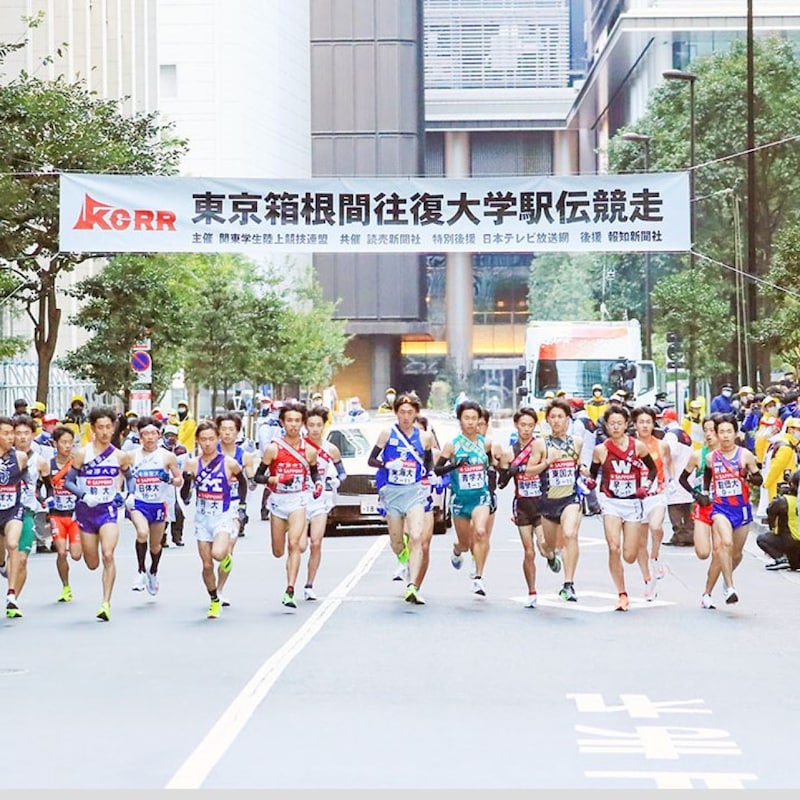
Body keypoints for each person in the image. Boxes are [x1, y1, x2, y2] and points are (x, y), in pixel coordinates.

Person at [64, 406, 135, 621]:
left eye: (108, 427)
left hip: (108, 510)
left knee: (108, 554)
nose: (105, 432)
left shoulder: (120, 456)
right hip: (86, 511)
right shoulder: (82, 454)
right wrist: (83, 495)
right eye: (100, 427)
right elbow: (68, 481)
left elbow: (129, 477)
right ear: (93, 428)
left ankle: (105, 603)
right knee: (92, 562)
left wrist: (130, 494)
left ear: (114, 428)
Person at [587, 405, 657, 611]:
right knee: (613, 547)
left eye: (619, 423)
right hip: (611, 502)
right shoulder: (601, 450)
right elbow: (592, 475)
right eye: (612, 424)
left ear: (627, 425)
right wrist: (588, 481)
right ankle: (622, 593)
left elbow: (652, 469)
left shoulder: (638, 447)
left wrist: (645, 486)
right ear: (606, 426)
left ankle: (634, 574)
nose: (616, 427)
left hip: (633, 503)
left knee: (629, 554)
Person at [254, 401, 323, 608]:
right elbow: (258, 476)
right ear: (282, 422)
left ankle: (290, 589)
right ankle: (283, 543)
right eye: (289, 420)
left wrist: (318, 482)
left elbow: (313, 471)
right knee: (278, 551)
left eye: (297, 421)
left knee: (294, 544)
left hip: (298, 500)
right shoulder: (273, 449)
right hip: (278, 502)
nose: (293, 425)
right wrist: (274, 480)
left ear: (302, 423)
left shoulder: (309, 450)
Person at [368, 393, 435, 604]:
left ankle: (412, 586)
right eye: (402, 412)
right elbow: (371, 460)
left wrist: (430, 475)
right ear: (396, 413)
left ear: (416, 413)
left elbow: (429, 463)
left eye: (410, 412)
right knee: (397, 543)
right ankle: (402, 556)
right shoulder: (387, 434)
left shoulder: (425, 437)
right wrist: (387, 465)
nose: (406, 416)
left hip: (414, 492)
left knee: (417, 536)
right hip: (393, 493)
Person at [181, 420, 248, 619]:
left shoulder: (229, 463)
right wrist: (186, 480)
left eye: (211, 439)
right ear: (197, 442)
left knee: (219, 554)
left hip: (223, 516)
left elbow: (242, 482)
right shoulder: (193, 464)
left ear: (217, 439)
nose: (207, 443)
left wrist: (242, 506)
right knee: (207, 564)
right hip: (202, 518)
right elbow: (186, 497)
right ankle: (214, 599)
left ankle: (227, 555)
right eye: (203, 440)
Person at [434, 400, 494, 597]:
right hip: (460, 500)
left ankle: (478, 578)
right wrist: (455, 465)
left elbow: (490, 466)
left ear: (479, 421)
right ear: (460, 420)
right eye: (466, 418)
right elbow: (437, 469)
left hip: (480, 497)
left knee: (481, 531)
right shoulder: (452, 445)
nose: (470, 422)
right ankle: (457, 550)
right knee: (466, 543)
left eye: (474, 418)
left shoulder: (485, 443)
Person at [701, 413, 762, 605]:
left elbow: (759, 479)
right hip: (721, 509)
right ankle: (730, 587)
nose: (725, 436)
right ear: (717, 435)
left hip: (742, 510)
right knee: (724, 544)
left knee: (736, 553)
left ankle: (714, 588)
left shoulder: (745, 455)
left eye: (729, 431)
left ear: (736, 433)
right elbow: (707, 478)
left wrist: (746, 476)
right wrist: (704, 494)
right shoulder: (711, 458)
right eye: (722, 432)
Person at [127, 416, 183, 597]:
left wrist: (169, 479)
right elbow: (121, 475)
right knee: (142, 533)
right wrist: (125, 494)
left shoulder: (167, 456)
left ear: (159, 435)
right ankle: (140, 571)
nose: (149, 437)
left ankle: (153, 572)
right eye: (145, 434)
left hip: (158, 503)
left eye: (153, 433)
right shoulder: (131, 456)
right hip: (138, 503)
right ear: (139, 436)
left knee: (155, 545)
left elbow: (179, 480)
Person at [498, 407, 546, 607]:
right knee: (529, 551)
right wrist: (506, 469)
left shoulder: (541, 446)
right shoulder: (509, 452)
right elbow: (501, 483)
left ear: (535, 426)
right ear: (516, 425)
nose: (526, 429)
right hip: (522, 505)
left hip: (541, 503)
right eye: (523, 425)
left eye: (530, 425)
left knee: (544, 546)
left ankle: (551, 557)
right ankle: (532, 591)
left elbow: (548, 469)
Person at [540, 398, 587, 603]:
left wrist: (584, 470)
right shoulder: (541, 444)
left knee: (570, 534)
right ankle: (551, 557)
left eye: (561, 417)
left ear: (568, 420)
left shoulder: (576, 442)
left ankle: (569, 584)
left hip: (571, 497)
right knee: (547, 547)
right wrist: (547, 462)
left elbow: (581, 463)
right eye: (553, 417)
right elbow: (532, 470)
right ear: (548, 420)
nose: (557, 421)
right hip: (548, 500)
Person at [302, 405, 346, 600]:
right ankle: (292, 579)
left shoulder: (331, 449)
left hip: (320, 499)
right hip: (300, 498)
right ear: (306, 426)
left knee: (316, 543)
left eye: (319, 425)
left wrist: (336, 480)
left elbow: (342, 472)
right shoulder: (299, 446)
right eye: (311, 425)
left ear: (324, 426)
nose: (315, 429)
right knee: (299, 545)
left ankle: (309, 584)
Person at [12, 416, 53, 615]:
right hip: (5, 513)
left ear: (33, 435)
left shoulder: (40, 461)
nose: (22, 437)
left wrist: (48, 502)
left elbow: (49, 486)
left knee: (21, 559)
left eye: (26, 433)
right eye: (18, 433)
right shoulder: (5, 458)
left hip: (26, 512)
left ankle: (13, 599)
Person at [214, 412, 255, 606]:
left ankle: (220, 589)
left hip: (233, 506)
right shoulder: (210, 453)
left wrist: (255, 479)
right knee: (210, 554)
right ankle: (211, 584)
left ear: (238, 432)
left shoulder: (244, 456)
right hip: (212, 506)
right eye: (223, 429)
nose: (227, 433)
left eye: (231, 429)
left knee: (228, 547)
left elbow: (252, 480)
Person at [632, 406, 673, 594]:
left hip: (657, 494)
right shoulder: (630, 445)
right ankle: (647, 579)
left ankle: (655, 556)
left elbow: (668, 463)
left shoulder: (662, 444)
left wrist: (670, 482)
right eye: (641, 422)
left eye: (648, 422)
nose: (645, 425)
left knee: (656, 527)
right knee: (640, 543)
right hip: (636, 498)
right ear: (635, 425)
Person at [47, 426, 82, 603]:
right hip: (56, 515)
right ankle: (66, 586)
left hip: (75, 515)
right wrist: (46, 498)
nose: (67, 446)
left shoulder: (77, 464)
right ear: (56, 444)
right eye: (63, 442)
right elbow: (41, 486)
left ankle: (81, 542)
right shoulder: (49, 465)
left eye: (70, 442)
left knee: (76, 555)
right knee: (61, 552)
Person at [0, 416, 29, 619]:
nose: (11, 437)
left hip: (14, 508)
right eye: (6, 433)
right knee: (1, 555)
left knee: (13, 544)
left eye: (12, 433)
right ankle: (2, 565)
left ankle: (11, 594)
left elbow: (25, 478)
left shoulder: (20, 457)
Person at [660, 408, 696, 547]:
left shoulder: (671, 435)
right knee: (686, 506)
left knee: (674, 506)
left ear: (667, 419)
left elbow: (669, 453)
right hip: (686, 474)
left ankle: (679, 535)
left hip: (675, 473)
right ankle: (689, 533)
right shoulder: (683, 433)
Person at [759, 469, 800, 571]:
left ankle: (781, 559)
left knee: (762, 538)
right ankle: (793, 562)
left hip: (790, 541)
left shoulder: (783, 501)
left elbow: (770, 514)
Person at [162, 423, 189, 547]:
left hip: (177, 485)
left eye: (173, 435)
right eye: (168, 435)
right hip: (163, 486)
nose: (171, 438)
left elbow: (186, 467)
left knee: (178, 512)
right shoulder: (160, 449)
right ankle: (162, 537)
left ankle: (177, 536)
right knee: (164, 513)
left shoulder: (182, 450)